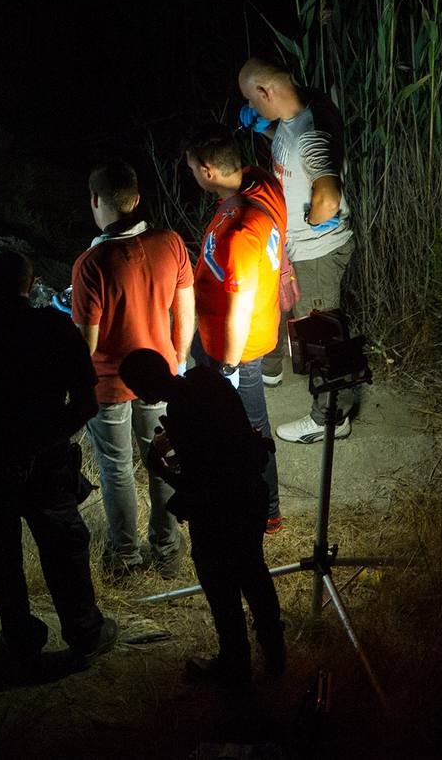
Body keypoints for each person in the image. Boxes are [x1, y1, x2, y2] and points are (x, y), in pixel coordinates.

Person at [0, 251, 119, 671]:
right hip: (46, 461)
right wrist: (43, 438)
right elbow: (87, 402)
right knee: (63, 549)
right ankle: (85, 632)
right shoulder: (54, 328)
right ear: (30, 287)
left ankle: (19, 635)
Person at [120, 348, 285, 685]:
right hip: (251, 495)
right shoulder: (205, 378)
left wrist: (161, 468)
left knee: (222, 589)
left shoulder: (179, 411)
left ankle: (235, 665)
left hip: (221, 512)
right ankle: (275, 653)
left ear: (145, 391)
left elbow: (200, 484)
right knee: (254, 574)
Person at [71, 162, 196, 578]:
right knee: (161, 461)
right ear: (136, 199)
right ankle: (167, 548)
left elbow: (85, 344)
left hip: (109, 383)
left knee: (116, 469)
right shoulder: (171, 243)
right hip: (160, 372)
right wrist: (178, 357)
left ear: (94, 201)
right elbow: (186, 308)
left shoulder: (91, 263)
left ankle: (125, 554)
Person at [238, 58, 356, 442]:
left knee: (319, 334)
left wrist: (315, 219)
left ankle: (329, 419)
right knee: (298, 318)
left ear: (265, 92)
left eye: (252, 103)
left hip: (317, 252)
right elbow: (299, 153)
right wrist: (268, 131)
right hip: (302, 249)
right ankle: (279, 372)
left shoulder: (310, 135)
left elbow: (328, 194)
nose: (253, 110)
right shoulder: (304, 111)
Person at [181, 125, 288, 535]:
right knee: (242, 423)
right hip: (237, 335)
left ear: (208, 170)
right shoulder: (259, 182)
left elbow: (239, 305)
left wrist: (226, 364)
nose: (192, 175)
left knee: (252, 426)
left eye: (193, 168)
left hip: (238, 348)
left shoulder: (242, 230)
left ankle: (267, 510)